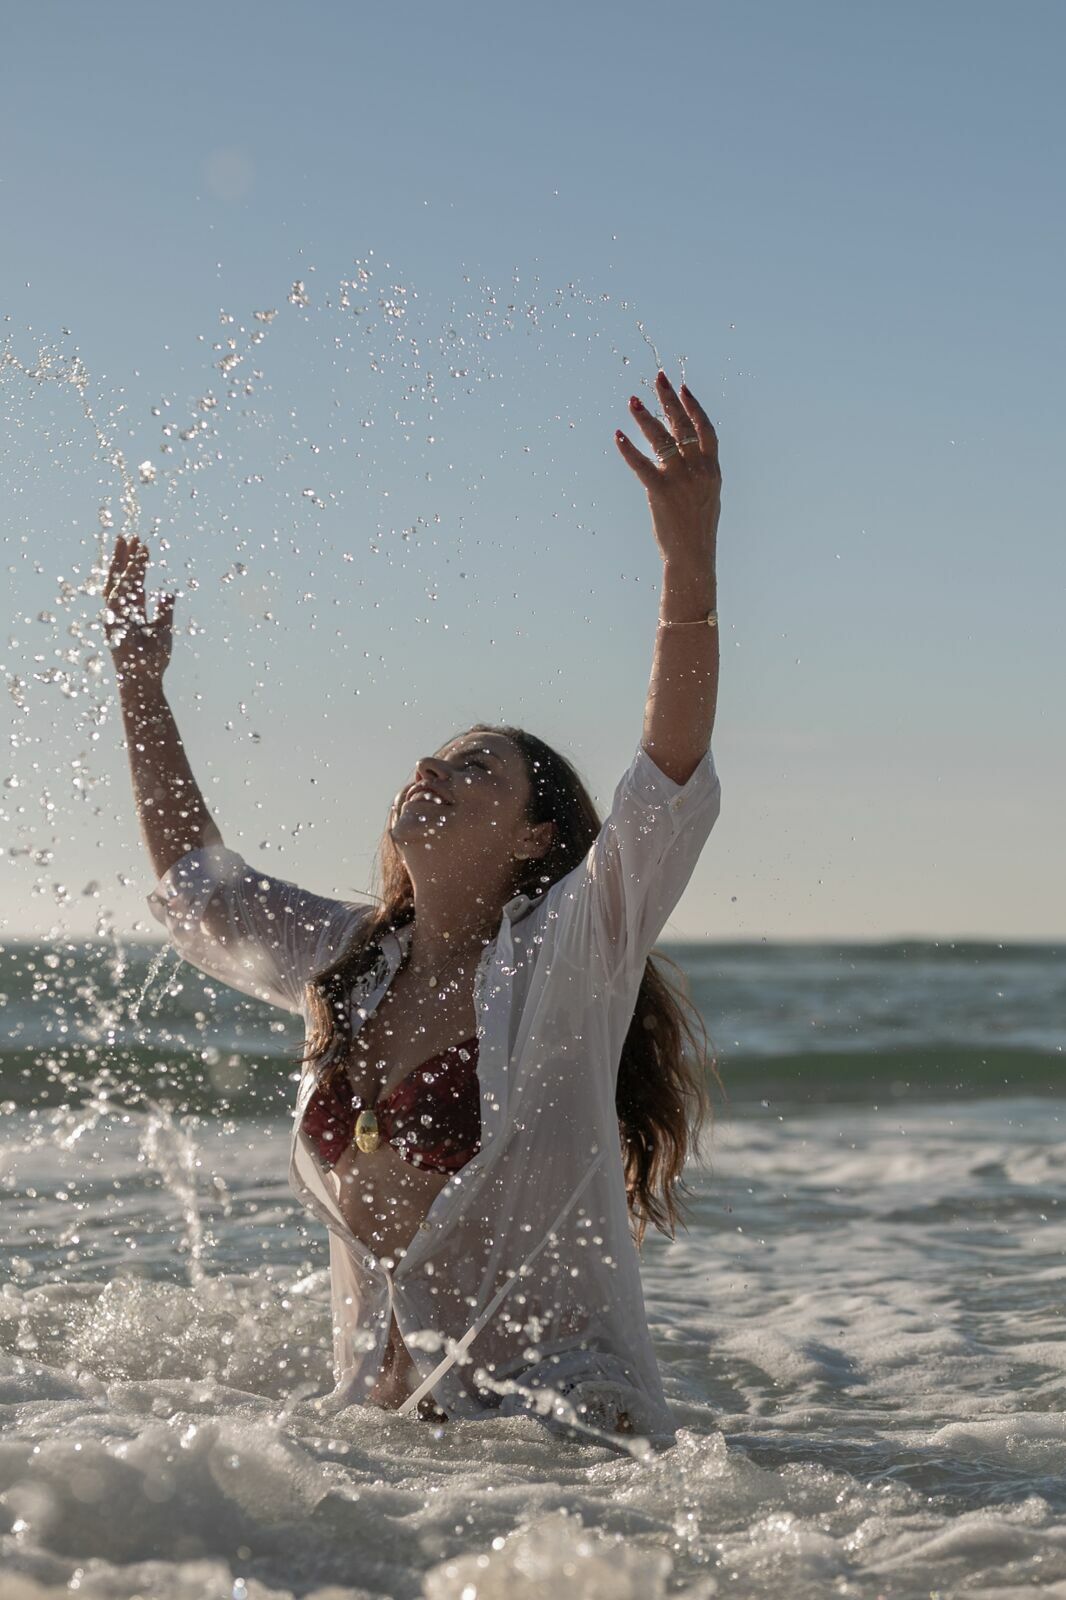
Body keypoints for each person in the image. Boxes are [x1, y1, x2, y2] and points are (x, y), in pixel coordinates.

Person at [103, 368, 723, 1448]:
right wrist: (141, 688)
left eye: (477, 768)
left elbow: (662, 787)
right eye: (432, 760)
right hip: (389, 1441)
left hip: (567, 1438)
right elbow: (202, 894)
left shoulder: (568, 956)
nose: (433, 773)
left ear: (536, 834)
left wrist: (687, 565)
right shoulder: (352, 958)